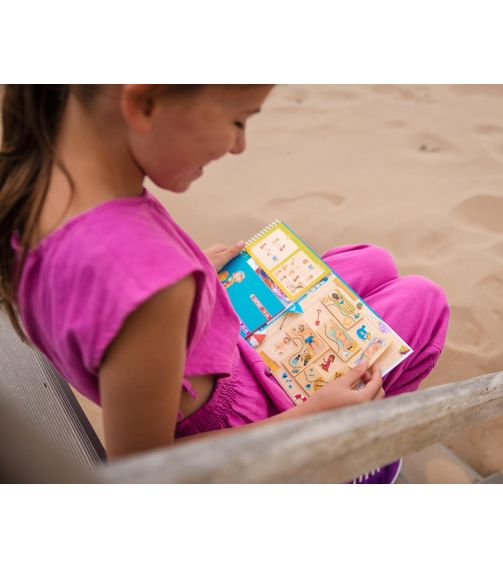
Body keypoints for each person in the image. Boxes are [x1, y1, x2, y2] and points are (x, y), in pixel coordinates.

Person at [0, 85, 449, 483]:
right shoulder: (153, 290)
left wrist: (192, 269)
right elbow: (145, 471)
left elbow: (107, 298)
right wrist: (312, 417)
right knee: (424, 301)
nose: (239, 145)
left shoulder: (44, 175)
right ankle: (353, 458)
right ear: (144, 103)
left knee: (373, 261)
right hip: (242, 423)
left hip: (202, 354)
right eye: (238, 120)